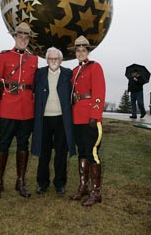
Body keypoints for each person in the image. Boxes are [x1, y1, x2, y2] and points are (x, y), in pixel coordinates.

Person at [0, 22, 38, 199]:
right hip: (8, 108)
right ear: (15, 37)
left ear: (29, 40)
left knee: (23, 145)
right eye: (20, 36)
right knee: (3, 144)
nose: (23, 40)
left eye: (26, 38)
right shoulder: (3, 56)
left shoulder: (33, 59)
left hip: (27, 110)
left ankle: (20, 181)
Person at [31, 47, 76, 195]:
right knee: (44, 153)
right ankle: (42, 183)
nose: (53, 61)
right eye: (50, 58)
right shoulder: (39, 74)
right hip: (44, 119)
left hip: (61, 119)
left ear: (61, 60)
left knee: (61, 153)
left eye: (56, 58)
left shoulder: (68, 74)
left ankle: (60, 183)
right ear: (47, 60)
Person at [69, 35, 105, 207]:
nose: (80, 53)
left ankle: (96, 192)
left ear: (88, 51)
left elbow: (99, 93)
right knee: (82, 151)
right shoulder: (75, 72)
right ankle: (83, 187)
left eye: (83, 50)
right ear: (75, 52)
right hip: (77, 117)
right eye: (78, 50)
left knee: (92, 153)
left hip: (90, 117)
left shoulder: (95, 67)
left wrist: (95, 114)